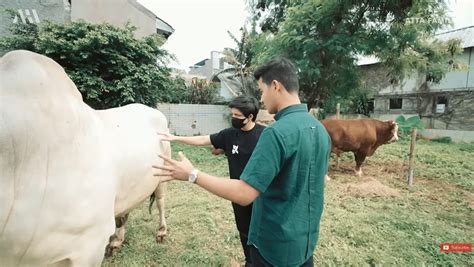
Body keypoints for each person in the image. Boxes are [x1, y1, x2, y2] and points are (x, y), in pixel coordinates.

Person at [154, 58, 331, 266]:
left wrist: (193, 174)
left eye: (262, 90)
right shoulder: (319, 129)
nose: (262, 99)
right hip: (304, 246)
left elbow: (245, 193)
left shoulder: (275, 133)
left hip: (272, 248)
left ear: (275, 86)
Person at [159, 95, 265, 267]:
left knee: (262, 234)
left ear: (250, 117)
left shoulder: (265, 135)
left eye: (237, 116)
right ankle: (249, 262)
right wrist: (176, 138)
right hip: (237, 193)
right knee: (244, 231)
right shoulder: (230, 135)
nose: (233, 119)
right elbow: (203, 139)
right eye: (232, 115)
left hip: (261, 196)